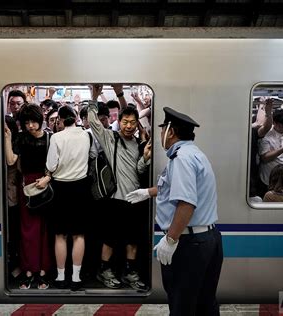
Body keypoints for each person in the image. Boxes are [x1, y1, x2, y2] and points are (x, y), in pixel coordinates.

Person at [126, 107, 223, 315]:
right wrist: (148, 192)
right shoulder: (193, 153)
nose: (159, 134)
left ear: (170, 132)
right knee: (205, 303)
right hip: (208, 238)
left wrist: (171, 239)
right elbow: (170, 186)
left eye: (161, 129)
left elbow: (186, 203)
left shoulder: (181, 159)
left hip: (189, 244)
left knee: (182, 305)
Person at [88, 84, 151, 291]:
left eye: (133, 122)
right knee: (110, 239)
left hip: (134, 199)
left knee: (132, 240)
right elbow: (92, 122)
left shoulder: (137, 143)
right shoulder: (110, 138)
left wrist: (146, 159)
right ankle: (105, 270)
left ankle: (130, 272)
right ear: (119, 122)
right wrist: (95, 96)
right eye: (125, 121)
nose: (129, 126)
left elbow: (139, 170)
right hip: (115, 199)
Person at [44, 105, 94, 291]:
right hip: (81, 188)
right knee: (79, 235)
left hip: (60, 189)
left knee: (60, 235)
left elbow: (51, 164)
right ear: (76, 118)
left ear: (61, 120)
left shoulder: (56, 137)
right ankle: (76, 278)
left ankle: (60, 276)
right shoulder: (87, 135)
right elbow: (92, 155)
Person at [4, 103, 52, 290]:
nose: (31, 126)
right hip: (27, 186)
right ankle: (29, 271)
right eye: (27, 122)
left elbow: (56, 165)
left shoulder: (50, 138)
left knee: (44, 230)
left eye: (34, 122)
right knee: (27, 231)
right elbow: (10, 160)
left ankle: (43, 271)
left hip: (45, 185)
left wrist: (47, 178)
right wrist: (8, 138)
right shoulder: (22, 138)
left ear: (41, 120)